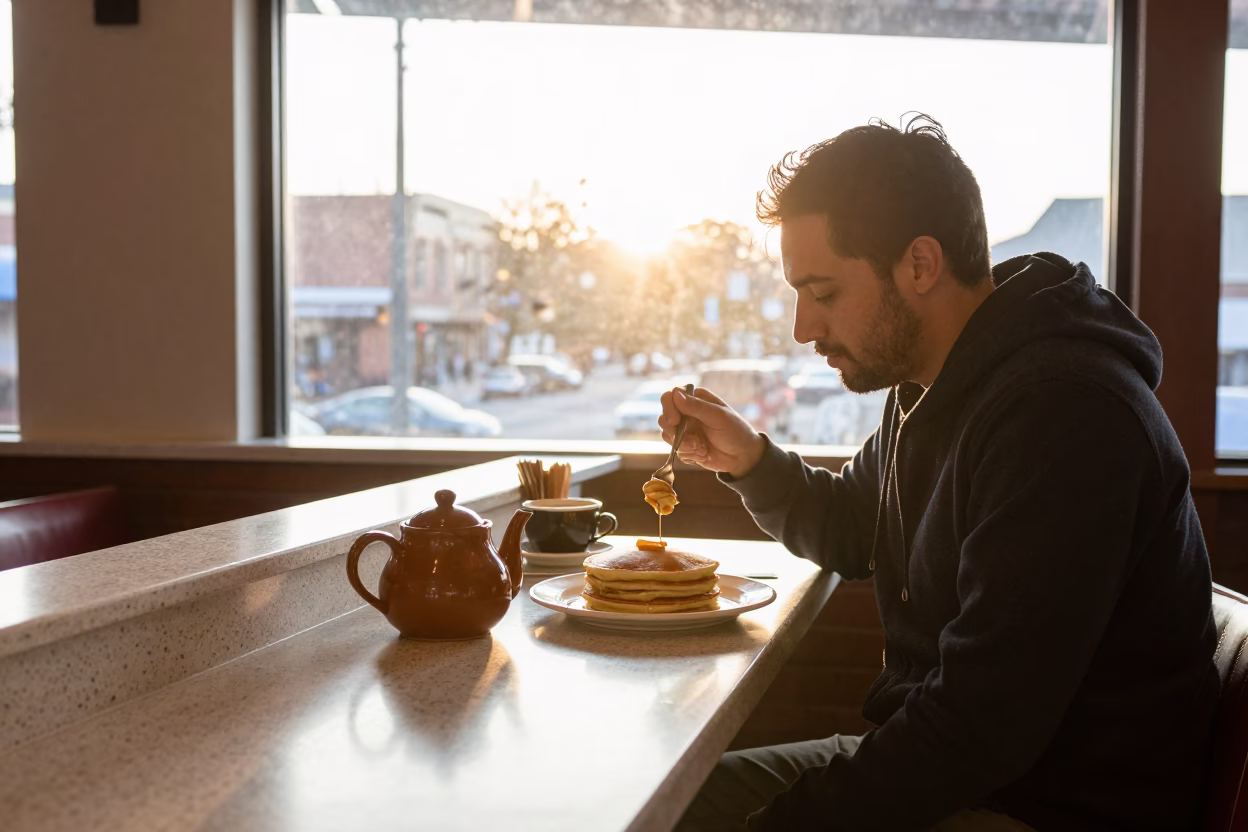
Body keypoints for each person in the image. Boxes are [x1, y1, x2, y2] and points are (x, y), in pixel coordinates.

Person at [661, 115, 1219, 832]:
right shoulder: (933, 381)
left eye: (823, 292)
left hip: (1050, 806)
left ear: (920, 266)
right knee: (672, 805)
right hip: (975, 769)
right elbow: (853, 527)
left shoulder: (1063, 413)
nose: (803, 328)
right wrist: (748, 459)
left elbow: (982, 724)